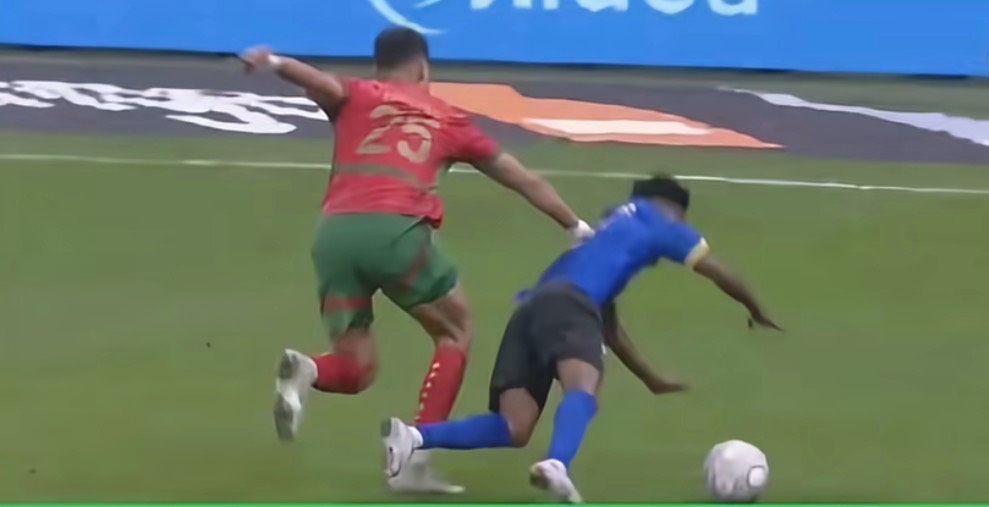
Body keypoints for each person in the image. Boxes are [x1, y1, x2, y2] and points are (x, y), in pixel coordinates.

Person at [238, 28, 593, 494]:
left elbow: (320, 82)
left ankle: (309, 369)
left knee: (357, 367)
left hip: (334, 236)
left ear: (378, 66)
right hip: (395, 231)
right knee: (456, 330)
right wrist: (575, 226)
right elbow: (522, 178)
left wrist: (274, 62)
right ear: (423, 67)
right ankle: (414, 459)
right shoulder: (446, 116)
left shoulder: (357, 94)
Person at [381, 175, 781, 503]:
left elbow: (606, 322)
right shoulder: (662, 221)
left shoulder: (608, 233)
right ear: (671, 206)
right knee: (583, 386)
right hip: (568, 304)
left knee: (514, 426)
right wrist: (756, 309)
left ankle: (412, 436)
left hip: (531, 309)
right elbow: (716, 268)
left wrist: (650, 377)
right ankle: (557, 463)